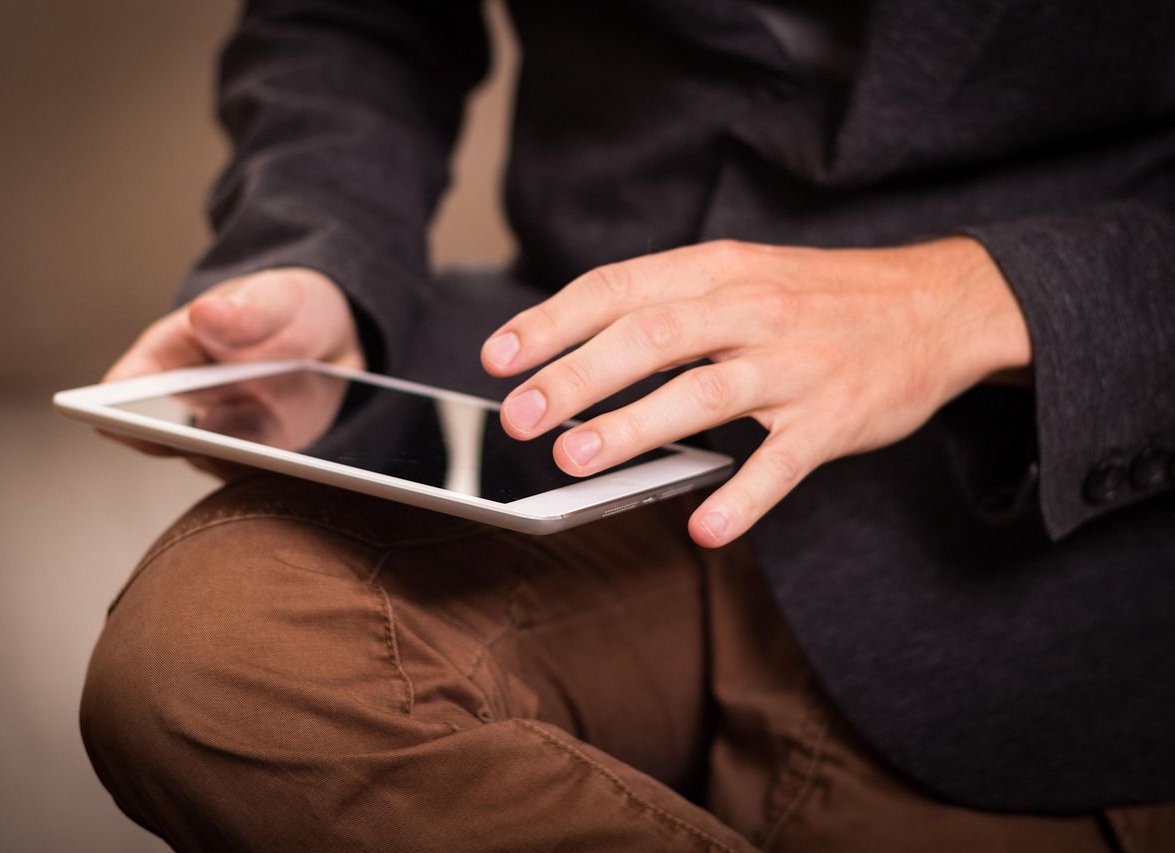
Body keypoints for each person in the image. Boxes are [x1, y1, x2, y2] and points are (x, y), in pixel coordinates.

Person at [80, 1, 1175, 850]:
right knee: (209, 662)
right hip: (579, 418)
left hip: (1055, 547)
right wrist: (323, 250)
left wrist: (977, 300)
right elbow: (356, 19)